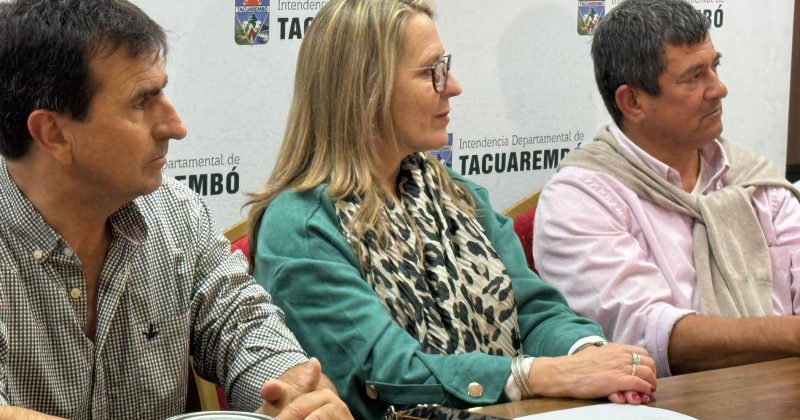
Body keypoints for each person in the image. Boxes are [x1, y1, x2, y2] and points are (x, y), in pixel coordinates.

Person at [246, 0, 657, 418]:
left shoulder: (458, 195)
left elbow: (535, 311)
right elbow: (387, 374)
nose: (453, 86)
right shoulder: (301, 225)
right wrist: (540, 375)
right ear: (367, 89)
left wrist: (590, 356)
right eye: (432, 71)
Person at [0, 0, 351, 418]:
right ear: (53, 133)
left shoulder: (176, 212)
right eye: (141, 102)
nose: (176, 127)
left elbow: (244, 324)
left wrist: (295, 393)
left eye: (162, 92)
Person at [534, 0, 800, 378]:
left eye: (715, 67)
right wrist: (791, 336)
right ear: (633, 102)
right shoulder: (581, 199)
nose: (719, 89)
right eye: (694, 77)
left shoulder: (751, 179)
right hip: (660, 402)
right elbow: (647, 338)